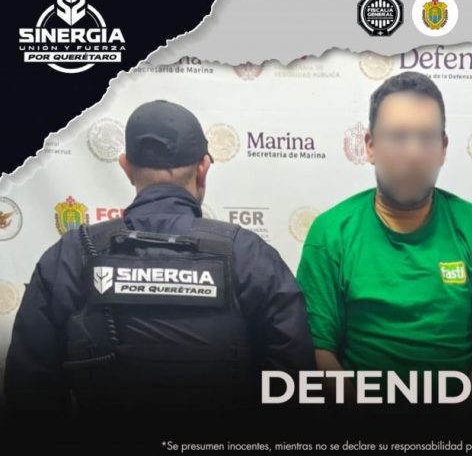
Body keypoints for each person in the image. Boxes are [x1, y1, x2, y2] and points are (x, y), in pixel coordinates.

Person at [4, 100, 315, 416]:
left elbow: (29, 390)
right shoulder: (249, 254)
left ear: (126, 167)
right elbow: (294, 379)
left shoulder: (70, 255)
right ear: (203, 167)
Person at [296, 72, 472, 403]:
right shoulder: (331, 233)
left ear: (443, 149)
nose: (414, 153)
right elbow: (320, 351)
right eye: (398, 137)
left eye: (427, 138)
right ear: (370, 146)